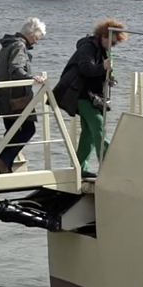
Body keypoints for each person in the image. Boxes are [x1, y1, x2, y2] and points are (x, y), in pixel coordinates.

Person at [53, 19, 127, 179]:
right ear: (103, 36)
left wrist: (110, 77)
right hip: (79, 93)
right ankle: (111, 165)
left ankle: (79, 168)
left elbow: (103, 71)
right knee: (98, 124)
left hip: (92, 95)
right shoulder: (88, 47)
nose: (113, 47)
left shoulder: (102, 49)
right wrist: (103, 67)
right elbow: (85, 68)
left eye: (115, 44)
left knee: (88, 132)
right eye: (112, 43)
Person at [0, 18, 47, 174]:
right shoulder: (19, 46)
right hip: (14, 97)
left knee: (12, 131)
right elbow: (16, 68)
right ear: (30, 33)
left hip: (3, 95)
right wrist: (31, 77)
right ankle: (2, 160)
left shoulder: (9, 44)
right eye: (37, 37)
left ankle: (5, 165)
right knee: (28, 129)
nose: (37, 41)